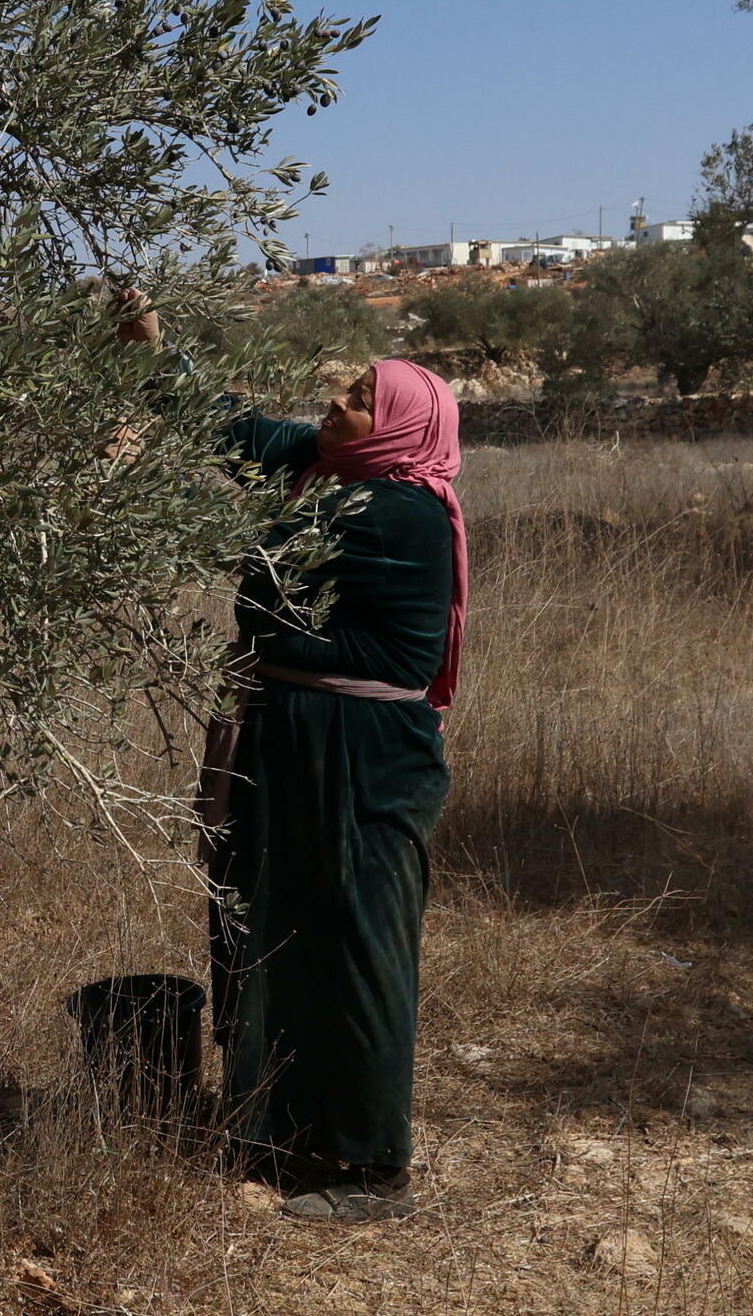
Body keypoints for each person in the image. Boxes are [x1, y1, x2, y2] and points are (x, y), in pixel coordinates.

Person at [121, 308, 467, 1223]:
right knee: (264, 922)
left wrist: (126, 493)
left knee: (355, 948)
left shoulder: (396, 509)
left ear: (396, 425)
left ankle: (365, 1166)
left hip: (362, 758)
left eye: (357, 398)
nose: (334, 400)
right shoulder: (328, 466)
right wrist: (157, 350)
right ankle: (269, 1130)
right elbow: (239, 430)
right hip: (290, 737)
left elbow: (252, 559)